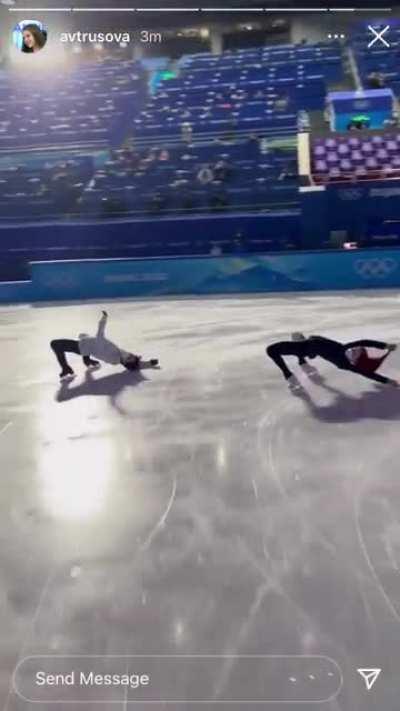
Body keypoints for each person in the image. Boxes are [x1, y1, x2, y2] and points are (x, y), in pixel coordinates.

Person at [50, 311, 158, 381]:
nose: (131, 355)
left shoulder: (113, 354)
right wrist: (149, 363)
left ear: (126, 362)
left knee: (54, 344)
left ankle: (66, 368)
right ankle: (87, 361)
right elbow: (135, 364)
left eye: (130, 357)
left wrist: (104, 318)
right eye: (132, 356)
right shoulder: (118, 358)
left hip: (81, 346)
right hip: (86, 347)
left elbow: (100, 333)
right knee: (82, 336)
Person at [266, 332, 398, 390]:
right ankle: (302, 362)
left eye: (355, 352)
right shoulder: (346, 351)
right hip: (311, 345)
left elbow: (366, 372)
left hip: (307, 348)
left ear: (354, 360)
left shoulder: (345, 364)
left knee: (271, 349)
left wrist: (387, 381)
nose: (353, 349)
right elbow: (365, 342)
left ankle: (291, 374)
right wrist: (385, 345)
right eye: (356, 349)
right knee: (309, 337)